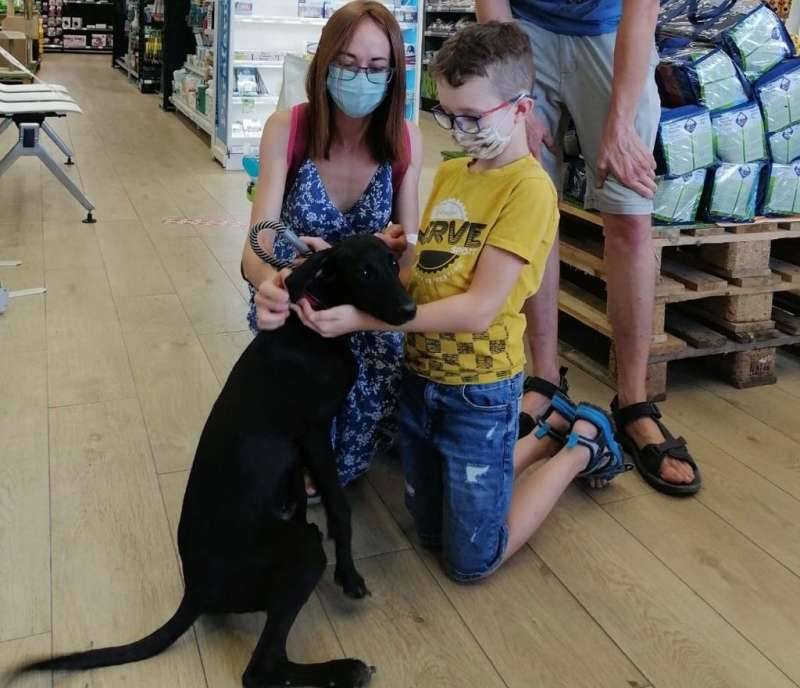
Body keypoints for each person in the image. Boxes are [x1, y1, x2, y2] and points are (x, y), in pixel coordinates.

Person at [294, 22, 630, 581]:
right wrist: (370, 255)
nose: (458, 128)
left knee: (472, 559)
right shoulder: (453, 172)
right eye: (448, 114)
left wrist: (363, 318)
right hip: (422, 380)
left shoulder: (528, 190)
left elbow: (478, 309)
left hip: (479, 390)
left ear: (522, 109)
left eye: (472, 117)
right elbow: (432, 268)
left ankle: (579, 444)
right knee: (428, 530)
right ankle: (544, 436)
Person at [476, 0, 701, 496]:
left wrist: (621, 122)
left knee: (630, 215)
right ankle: (544, 381)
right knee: (532, 206)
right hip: (523, 26)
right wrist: (511, 96)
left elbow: (640, 9)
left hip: (611, 26)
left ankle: (635, 403)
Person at [242, 0, 423, 487]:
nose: (360, 77)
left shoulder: (404, 140)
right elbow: (255, 248)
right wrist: (272, 286)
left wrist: (395, 253)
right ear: (323, 64)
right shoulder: (288, 130)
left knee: (376, 366)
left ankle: (356, 448)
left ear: (393, 75)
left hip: (368, 307)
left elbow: (410, 262)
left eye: (376, 67)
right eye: (346, 64)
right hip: (302, 299)